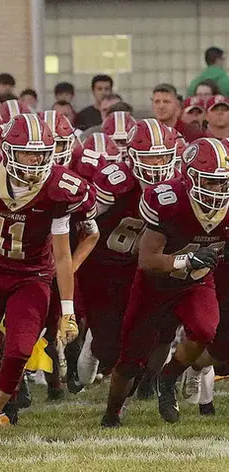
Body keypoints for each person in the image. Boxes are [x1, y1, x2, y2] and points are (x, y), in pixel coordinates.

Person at [0, 113, 95, 437]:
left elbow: (62, 255)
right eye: (26, 153)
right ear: (7, 151)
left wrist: (67, 312)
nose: (34, 160)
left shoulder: (58, 188)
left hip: (31, 274)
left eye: (41, 153)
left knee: (20, 351)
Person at [102, 137, 229, 427]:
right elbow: (147, 260)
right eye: (210, 182)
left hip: (196, 283)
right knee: (131, 359)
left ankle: (169, 377)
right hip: (155, 285)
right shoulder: (168, 199)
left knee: (205, 329)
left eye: (222, 182)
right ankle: (113, 411)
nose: (218, 189)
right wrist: (187, 260)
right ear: (190, 178)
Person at [77, 120, 178, 386]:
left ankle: (147, 379)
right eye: (149, 158)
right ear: (132, 157)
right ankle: (94, 343)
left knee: (151, 329)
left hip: (144, 267)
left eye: (162, 158)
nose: (156, 165)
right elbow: (81, 220)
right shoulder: (115, 182)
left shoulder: (177, 184)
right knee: (109, 348)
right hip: (104, 267)